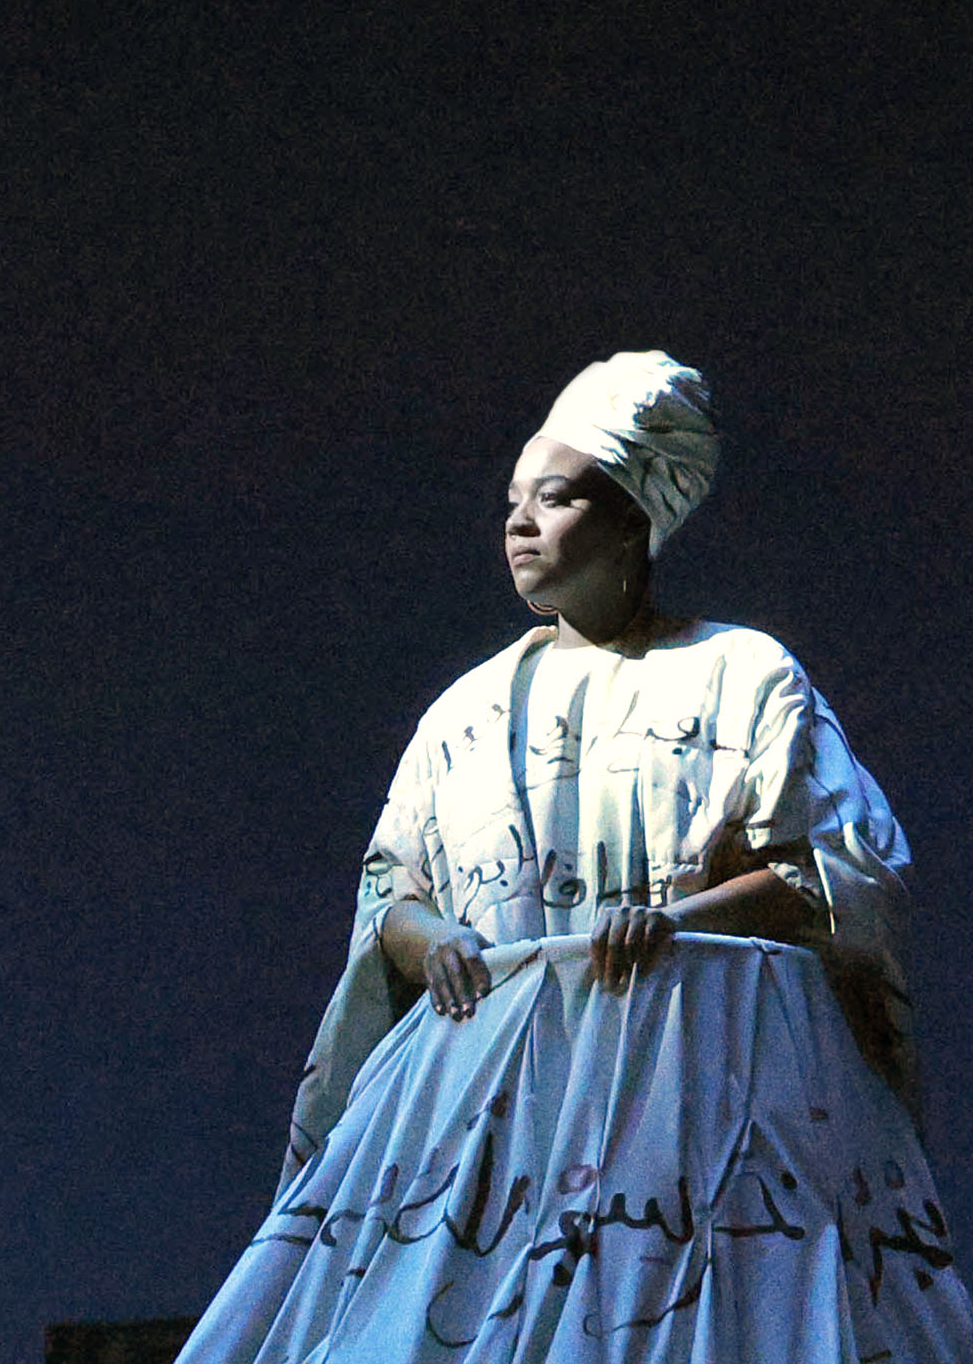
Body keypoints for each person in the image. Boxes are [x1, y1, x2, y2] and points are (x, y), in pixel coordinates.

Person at [279, 348, 920, 1168]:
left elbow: (829, 872)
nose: (519, 523)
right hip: (497, 1102)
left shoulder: (744, 674)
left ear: (630, 524)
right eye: (513, 502)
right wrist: (435, 937)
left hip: (695, 1091)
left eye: (554, 499)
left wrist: (675, 923)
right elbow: (391, 893)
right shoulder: (463, 713)